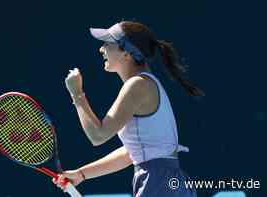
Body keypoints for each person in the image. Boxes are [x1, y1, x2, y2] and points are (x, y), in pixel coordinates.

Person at [53, 21, 204, 197]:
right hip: (166, 182)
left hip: (158, 183)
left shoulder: (137, 85)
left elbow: (97, 136)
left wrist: (77, 94)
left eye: (108, 44)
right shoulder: (145, 84)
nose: (101, 49)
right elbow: (130, 152)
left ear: (126, 53)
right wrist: (82, 174)